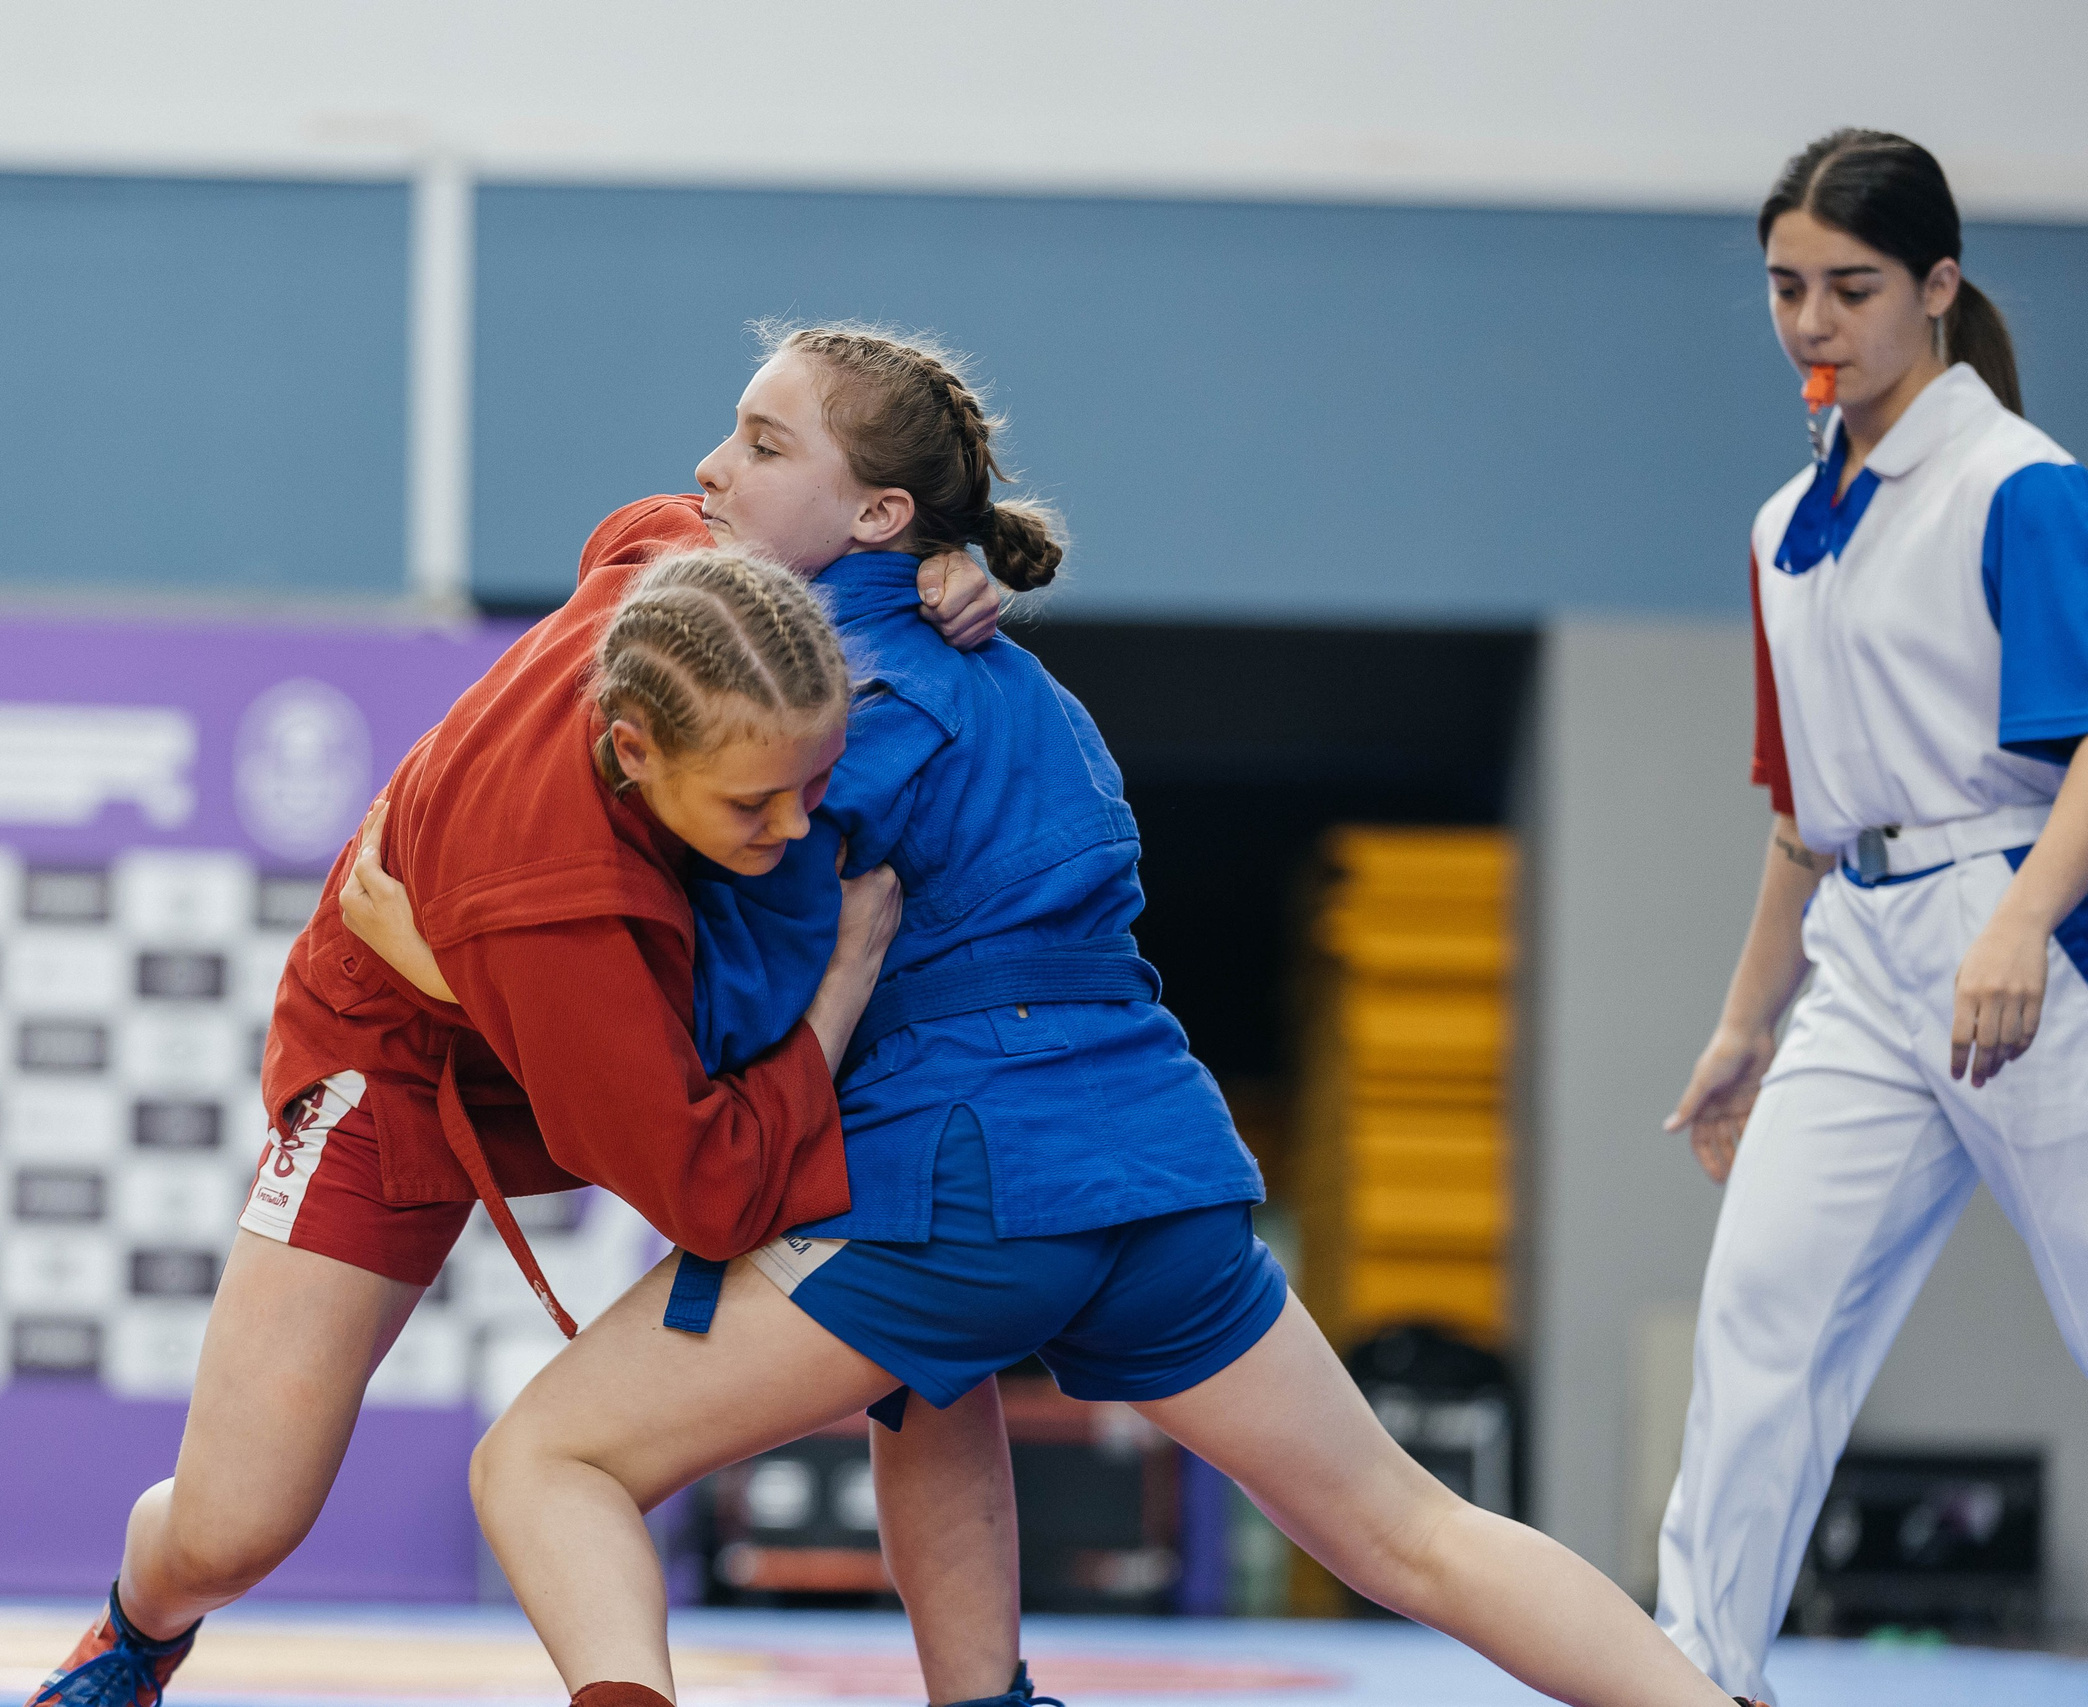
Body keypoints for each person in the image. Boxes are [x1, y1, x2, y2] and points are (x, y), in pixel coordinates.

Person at [363, 325, 1755, 1707]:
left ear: (881, 510)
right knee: (1408, 1529)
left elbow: (715, 1016)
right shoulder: (1029, 686)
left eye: (764, 442)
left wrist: (440, 960)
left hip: (959, 1190)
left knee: (549, 1457)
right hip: (1153, 1173)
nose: (714, 467)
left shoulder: (799, 715)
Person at [25, 521, 1007, 1703]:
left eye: (814, 780)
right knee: (236, 1527)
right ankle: (135, 1629)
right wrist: (840, 987)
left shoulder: (681, 582)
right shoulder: (560, 909)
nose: (796, 826)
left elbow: (652, 518)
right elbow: (711, 1191)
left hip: (549, 1006)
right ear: (633, 750)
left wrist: (938, 563)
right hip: (389, 1070)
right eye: (756, 803)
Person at [1655, 130, 2088, 1703]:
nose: (1813, 320)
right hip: (1865, 949)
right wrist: (1740, 1022)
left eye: (1853, 286)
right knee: (1759, 1314)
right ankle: (1697, 1670)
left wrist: (2024, 922)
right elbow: (1801, 812)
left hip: (2028, 929)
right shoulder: (1785, 527)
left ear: (1940, 286)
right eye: (1787, 287)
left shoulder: (2021, 485)